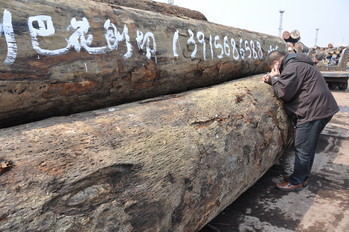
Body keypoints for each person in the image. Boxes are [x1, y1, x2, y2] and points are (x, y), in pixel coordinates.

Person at [262, 50, 339, 192]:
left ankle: (296, 182)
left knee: (302, 148)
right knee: (307, 148)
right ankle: (302, 177)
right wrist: (275, 79)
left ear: (276, 63)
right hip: (321, 109)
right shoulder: (300, 63)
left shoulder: (293, 67)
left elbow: (283, 93)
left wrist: (275, 77)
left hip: (313, 111)